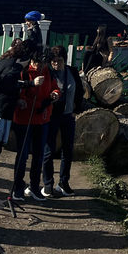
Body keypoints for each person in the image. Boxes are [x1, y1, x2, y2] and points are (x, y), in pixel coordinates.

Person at [12, 48, 60, 202]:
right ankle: (17, 188)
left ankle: (34, 187)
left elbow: (55, 87)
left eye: (43, 64)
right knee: (23, 155)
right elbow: (19, 94)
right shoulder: (24, 73)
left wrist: (55, 94)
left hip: (43, 120)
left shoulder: (47, 71)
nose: (40, 67)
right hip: (25, 120)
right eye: (37, 63)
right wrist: (28, 100)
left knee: (39, 156)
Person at [0, 40, 35, 202]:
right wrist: (29, 83)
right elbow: (6, 85)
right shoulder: (15, 67)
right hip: (1, 113)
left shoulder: (3, 61)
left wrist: (17, 97)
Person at [42, 46, 83, 197]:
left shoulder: (72, 72)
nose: (56, 64)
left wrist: (76, 109)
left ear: (65, 60)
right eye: (53, 61)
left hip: (68, 116)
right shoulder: (48, 73)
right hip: (52, 116)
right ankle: (47, 184)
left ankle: (63, 182)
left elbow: (79, 91)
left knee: (68, 150)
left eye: (59, 61)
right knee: (48, 151)